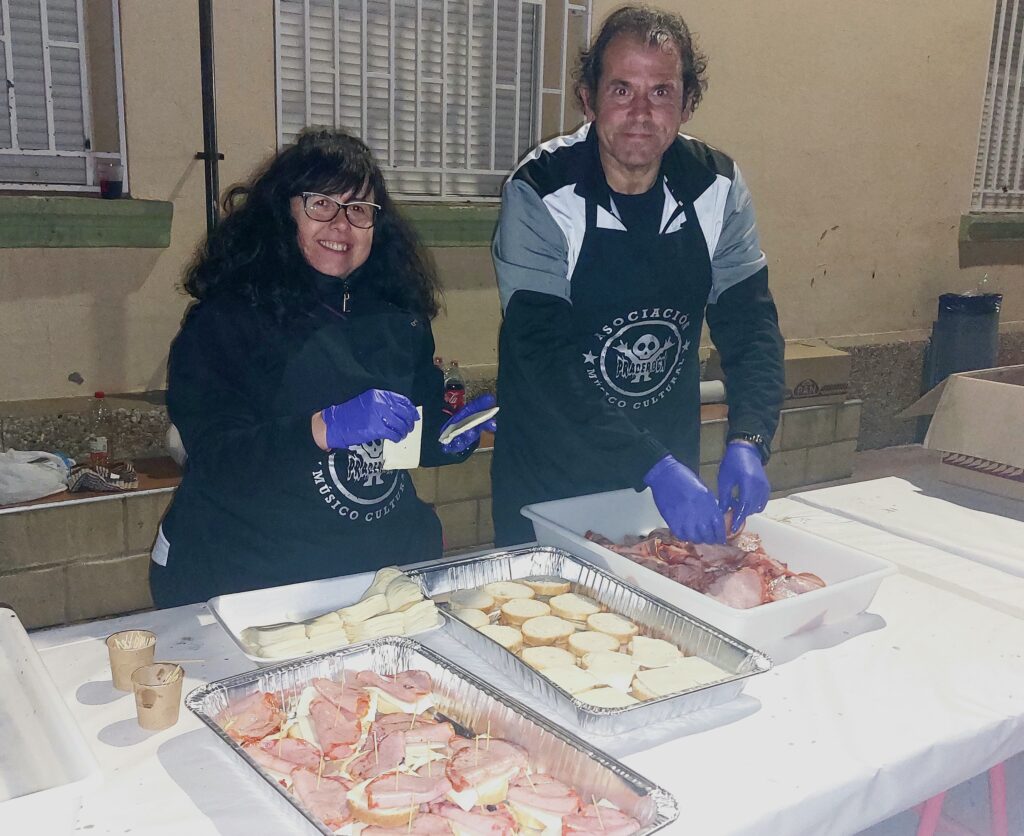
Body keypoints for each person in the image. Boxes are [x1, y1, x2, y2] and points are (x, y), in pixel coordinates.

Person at [150, 129, 496, 607]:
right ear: (284, 211)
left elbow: (401, 440)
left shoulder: (398, 316)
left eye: (359, 210)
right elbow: (218, 459)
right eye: (321, 204)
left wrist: (446, 435)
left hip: (376, 573)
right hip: (248, 574)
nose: (341, 224)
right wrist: (321, 429)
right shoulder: (227, 320)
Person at [491, 5, 784, 546]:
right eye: (622, 89)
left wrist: (750, 436)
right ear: (589, 99)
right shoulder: (541, 191)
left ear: (687, 103)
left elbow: (750, 325)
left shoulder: (716, 187)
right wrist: (653, 464)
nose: (641, 112)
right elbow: (542, 354)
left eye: (661, 91)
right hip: (552, 478)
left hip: (665, 481)